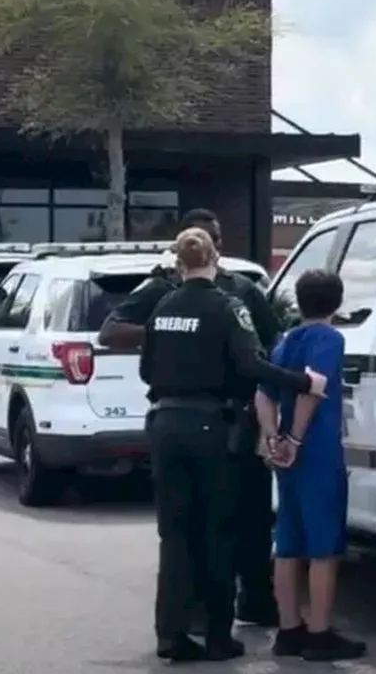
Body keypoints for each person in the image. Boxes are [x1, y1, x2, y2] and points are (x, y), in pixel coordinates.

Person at [140, 227, 326, 662]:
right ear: (215, 261)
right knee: (218, 531)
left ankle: (171, 634)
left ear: (180, 264)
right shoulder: (228, 307)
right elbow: (251, 363)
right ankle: (219, 637)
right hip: (211, 426)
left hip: (164, 424)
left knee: (175, 533)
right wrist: (303, 382)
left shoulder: (162, 307)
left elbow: (147, 370)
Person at [100, 207, 284, 627]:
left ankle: (255, 599)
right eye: (207, 239)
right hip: (201, 419)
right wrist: (183, 333)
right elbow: (111, 331)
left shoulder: (243, 288)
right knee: (199, 524)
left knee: (252, 516)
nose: (216, 246)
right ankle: (201, 616)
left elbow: (273, 343)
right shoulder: (162, 290)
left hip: (241, 416)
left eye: (218, 238)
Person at [254, 269, 366, 662]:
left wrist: (273, 438)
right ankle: (319, 633)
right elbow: (313, 388)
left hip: (283, 452)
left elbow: (263, 393)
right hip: (316, 450)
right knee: (323, 546)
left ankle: (289, 629)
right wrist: (297, 440)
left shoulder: (284, 342)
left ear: (299, 301)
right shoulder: (329, 339)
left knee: (288, 541)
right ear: (336, 302)